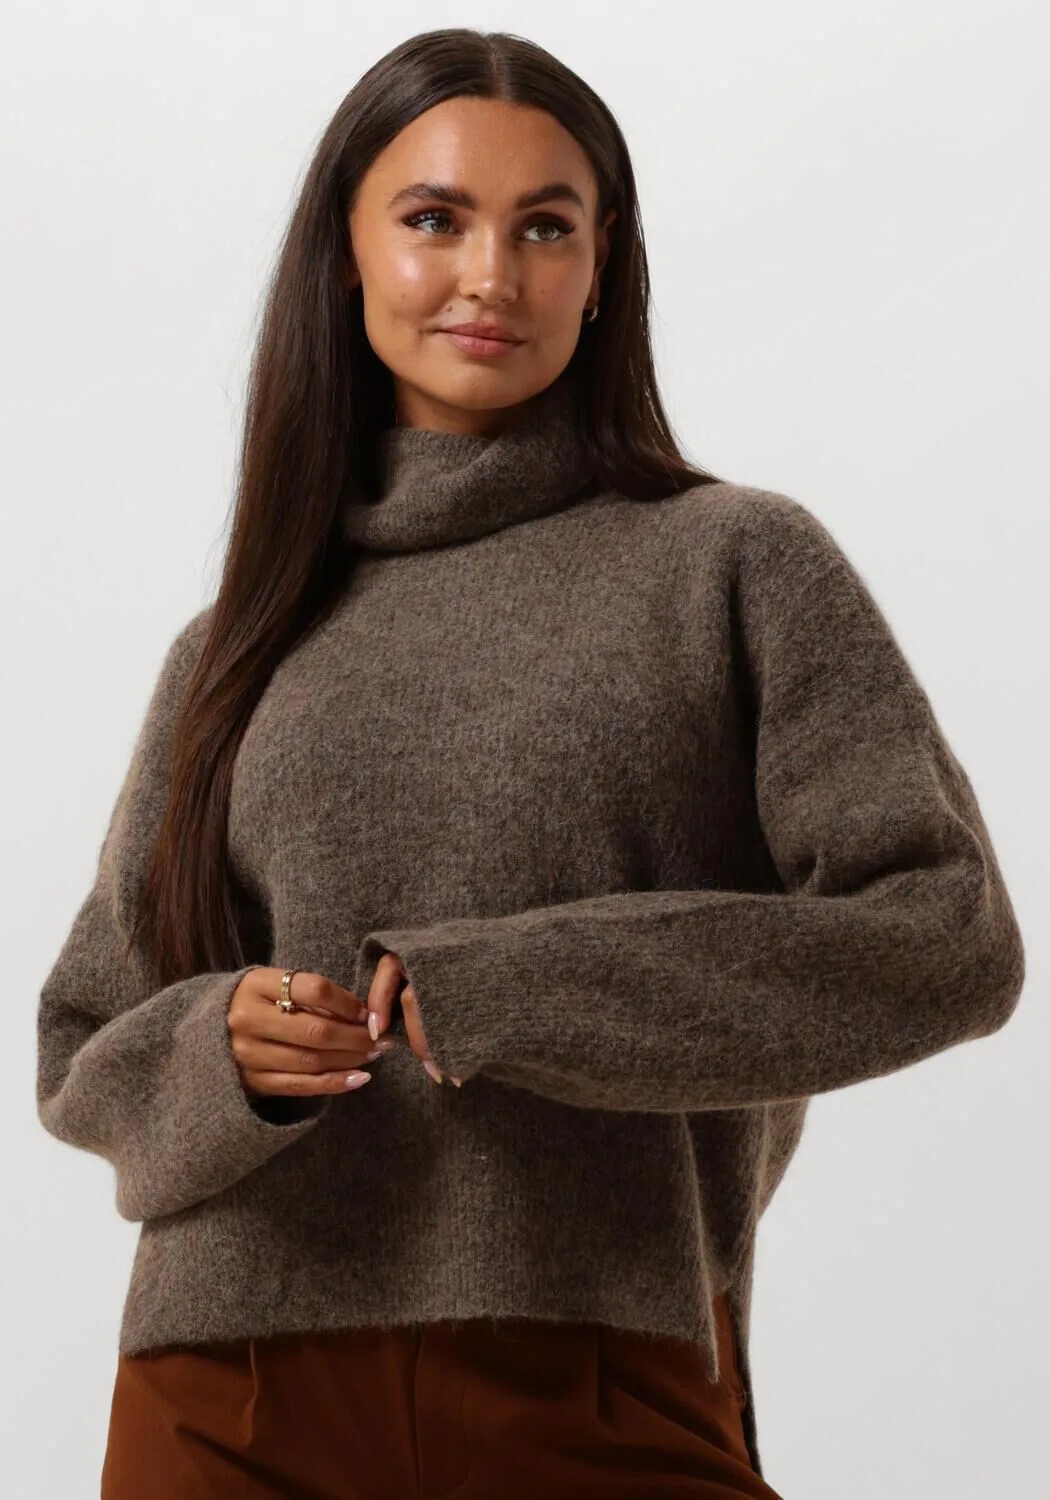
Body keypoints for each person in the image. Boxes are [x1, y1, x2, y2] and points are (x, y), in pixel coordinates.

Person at [35, 26, 1025, 1500]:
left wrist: (520, 991)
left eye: (544, 227)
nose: (490, 274)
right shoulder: (237, 640)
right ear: (348, 252)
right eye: (435, 218)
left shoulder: (730, 564)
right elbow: (81, 1042)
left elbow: (947, 942)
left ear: (603, 264)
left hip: (598, 1364)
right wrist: (218, 1050)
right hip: (223, 1392)